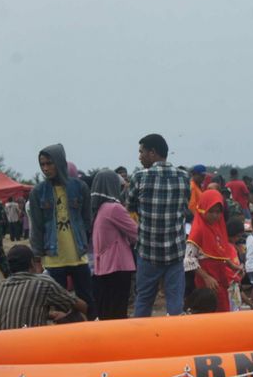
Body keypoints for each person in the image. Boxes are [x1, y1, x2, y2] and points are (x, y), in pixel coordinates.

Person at [29, 144, 96, 319]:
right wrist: (37, 259)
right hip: (53, 258)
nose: (46, 168)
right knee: (60, 305)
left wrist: (84, 241)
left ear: (59, 162)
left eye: (49, 163)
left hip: (78, 256)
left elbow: (87, 220)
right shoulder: (38, 192)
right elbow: (36, 226)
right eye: (42, 164)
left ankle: (94, 335)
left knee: (88, 300)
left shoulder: (80, 187)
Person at [127, 134, 191, 317]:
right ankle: (175, 341)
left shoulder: (139, 177)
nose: (139, 157)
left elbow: (130, 206)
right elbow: (185, 206)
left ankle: (141, 341)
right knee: (175, 304)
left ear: (152, 153)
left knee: (144, 301)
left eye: (141, 152)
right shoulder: (184, 177)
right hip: (175, 252)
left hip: (148, 252)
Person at [0, 244, 87, 330]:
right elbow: (80, 306)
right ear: (32, 263)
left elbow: (16, 312)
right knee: (75, 316)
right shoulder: (43, 282)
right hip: (30, 345)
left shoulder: (1, 286)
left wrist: (50, 314)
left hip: (0, 344)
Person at [91, 170, 138, 320]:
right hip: (118, 266)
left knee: (106, 312)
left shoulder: (99, 209)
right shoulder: (114, 208)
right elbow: (136, 233)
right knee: (118, 311)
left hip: (103, 267)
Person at [184, 189, 234, 313]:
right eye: (211, 211)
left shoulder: (217, 227)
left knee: (223, 306)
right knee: (209, 308)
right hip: (206, 277)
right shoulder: (198, 230)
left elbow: (219, 252)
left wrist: (232, 265)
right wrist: (206, 277)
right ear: (202, 209)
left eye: (218, 212)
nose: (215, 215)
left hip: (220, 275)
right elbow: (189, 260)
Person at [225, 217, 253, 311]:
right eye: (237, 236)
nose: (238, 239)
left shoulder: (233, 247)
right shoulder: (227, 247)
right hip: (229, 286)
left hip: (234, 286)